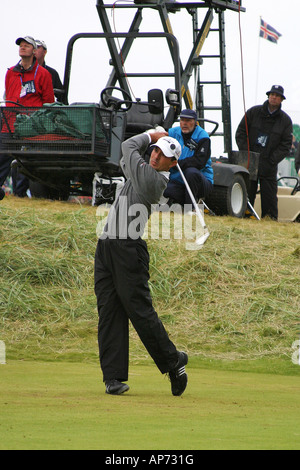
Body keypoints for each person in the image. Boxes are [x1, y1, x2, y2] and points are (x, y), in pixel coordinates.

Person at [94, 130, 189, 396]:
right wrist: (154, 141)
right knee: (109, 310)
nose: (156, 156)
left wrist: (150, 135)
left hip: (128, 249)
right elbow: (128, 155)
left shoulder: (153, 179)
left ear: (173, 164)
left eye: (164, 155)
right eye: (156, 150)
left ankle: (173, 362)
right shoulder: (143, 169)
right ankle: (112, 378)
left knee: (140, 312)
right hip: (107, 244)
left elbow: (127, 145)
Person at [0, 36, 55, 197]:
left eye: (26, 46)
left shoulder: (44, 74)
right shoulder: (10, 72)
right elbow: (9, 95)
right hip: (10, 123)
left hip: (32, 125)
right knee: (3, 156)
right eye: (20, 46)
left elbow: (48, 101)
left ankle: (21, 194)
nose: (22, 48)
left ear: (34, 51)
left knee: (27, 161)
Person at [236, 85, 293, 220]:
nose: (274, 97)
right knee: (247, 192)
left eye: (277, 96)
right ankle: (243, 217)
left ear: (281, 100)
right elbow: (240, 133)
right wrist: (247, 154)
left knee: (269, 196)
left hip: (269, 164)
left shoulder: (285, 120)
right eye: (272, 94)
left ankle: (269, 220)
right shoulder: (253, 112)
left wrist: (272, 160)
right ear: (268, 96)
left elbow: (285, 145)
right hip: (250, 161)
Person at [164, 109, 214, 207]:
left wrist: (175, 164)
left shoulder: (203, 137)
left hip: (200, 181)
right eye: (182, 120)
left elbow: (199, 162)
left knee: (191, 172)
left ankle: (189, 209)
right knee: (165, 189)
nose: (184, 123)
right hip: (178, 180)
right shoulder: (173, 132)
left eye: (188, 120)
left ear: (195, 122)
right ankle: (181, 202)